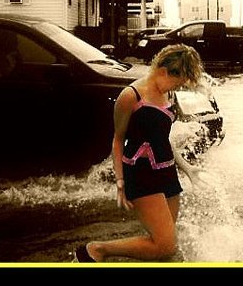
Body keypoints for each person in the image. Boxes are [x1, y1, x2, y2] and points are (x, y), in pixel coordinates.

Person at [75, 44, 206, 262]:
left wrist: (188, 168)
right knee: (166, 246)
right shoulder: (131, 96)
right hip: (141, 173)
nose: (179, 87)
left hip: (167, 171)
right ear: (163, 71)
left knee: (163, 241)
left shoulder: (169, 94)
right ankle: (97, 250)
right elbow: (118, 140)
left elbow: (161, 137)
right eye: (179, 81)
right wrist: (120, 180)